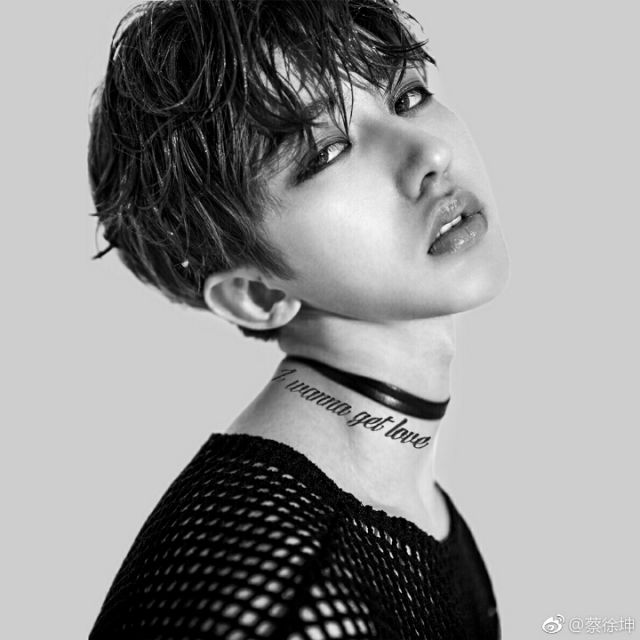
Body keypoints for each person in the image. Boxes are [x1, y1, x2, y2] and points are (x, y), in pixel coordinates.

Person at [88, 0, 509, 637]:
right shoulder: (289, 592)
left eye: (407, 96)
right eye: (328, 152)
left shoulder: (398, 501)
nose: (430, 153)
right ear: (256, 294)